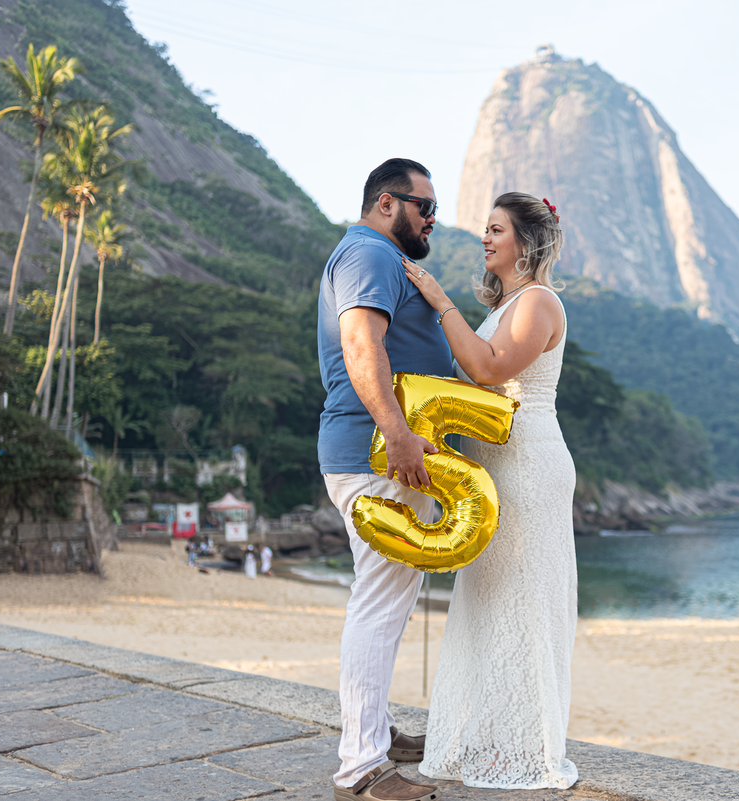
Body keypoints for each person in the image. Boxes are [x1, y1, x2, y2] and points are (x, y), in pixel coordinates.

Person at [403, 192, 578, 789]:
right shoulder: (509, 303)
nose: (485, 237)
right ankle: (488, 736)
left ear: (525, 242)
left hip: (528, 464)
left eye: (496, 229)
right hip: (496, 465)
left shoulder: (537, 302)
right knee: (490, 595)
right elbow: (468, 382)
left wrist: (440, 300)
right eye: (486, 228)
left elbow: (488, 370)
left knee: (523, 598)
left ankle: (523, 749)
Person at [318, 158, 450, 801]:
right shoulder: (369, 255)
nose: (434, 220)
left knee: (386, 601)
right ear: (388, 203)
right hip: (376, 454)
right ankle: (362, 767)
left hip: (376, 452)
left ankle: (376, 731)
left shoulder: (374, 255)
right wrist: (398, 434)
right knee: (379, 601)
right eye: (426, 207)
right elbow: (360, 346)